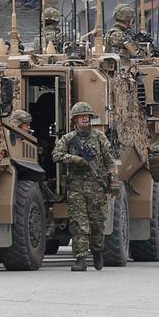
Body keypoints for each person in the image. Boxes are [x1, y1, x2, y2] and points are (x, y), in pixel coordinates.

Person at [52, 102, 117, 271]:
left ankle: (97, 251)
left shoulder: (100, 137)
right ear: (75, 120)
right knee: (79, 223)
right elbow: (56, 155)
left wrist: (113, 180)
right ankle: (81, 258)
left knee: (97, 224)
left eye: (87, 117)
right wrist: (72, 159)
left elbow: (110, 161)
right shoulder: (68, 139)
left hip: (97, 187)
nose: (85, 120)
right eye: (82, 118)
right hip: (76, 187)